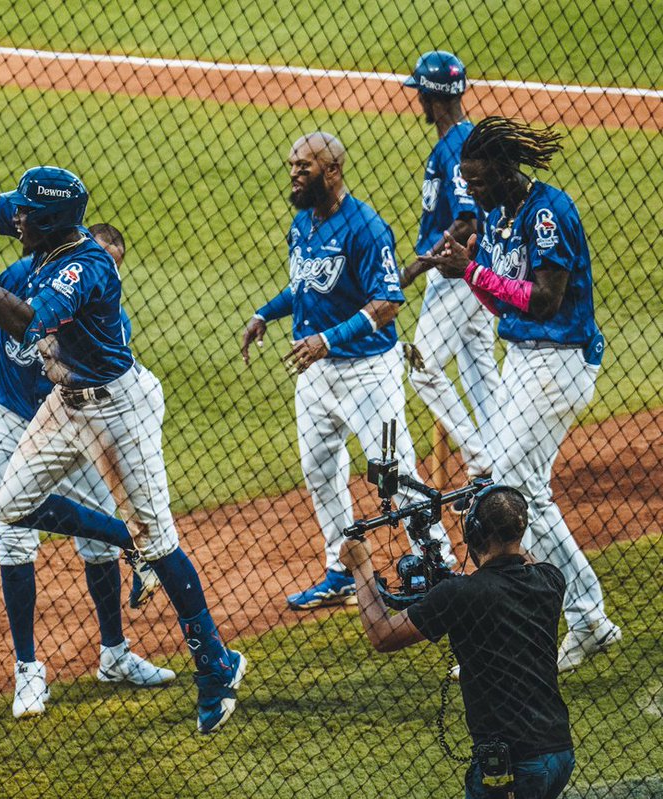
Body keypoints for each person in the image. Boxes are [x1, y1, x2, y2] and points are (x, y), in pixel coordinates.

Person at [0, 51, 245, 735]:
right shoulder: (46, 229)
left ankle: (214, 661)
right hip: (64, 404)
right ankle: (121, 537)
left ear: (50, 222)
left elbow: (20, 318)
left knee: (161, 540)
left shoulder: (85, 269)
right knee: (12, 504)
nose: (14, 219)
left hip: (116, 410)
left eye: (24, 216)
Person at [0, 223, 174, 720]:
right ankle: (28, 671)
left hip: (72, 420)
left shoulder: (109, 320)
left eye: (115, 267)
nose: (105, 274)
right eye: (101, 259)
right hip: (10, 415)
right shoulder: (23, 274)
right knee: (12, 534)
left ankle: (115, 654)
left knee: (96, 543)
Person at [418, 116, 620, 672]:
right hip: (524, 361)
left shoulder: (547, 212)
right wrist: (469, 276)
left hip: (559, 361)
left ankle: (505, 633)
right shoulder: (496, 215)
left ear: (506, 170)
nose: (472, 191)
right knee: (527, 489)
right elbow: (504, 306)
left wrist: (475, 274)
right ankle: (589, 618)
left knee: (501, 487)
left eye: (479, 180)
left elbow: (547, 300)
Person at [241, 131, 456, 611]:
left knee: (395, 474)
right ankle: (342, 569)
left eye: (304, 167)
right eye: (292, 165)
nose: (294, 174)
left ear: (332, 171)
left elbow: (388, 304)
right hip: (315, 374)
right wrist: (263, 314)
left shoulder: (366, 228)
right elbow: (305, 286)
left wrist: (328, 340)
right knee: (319, 471)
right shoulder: (304, 224)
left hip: (367, 375)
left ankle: (439, 566)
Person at [340, 486, 576, 799]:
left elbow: (382, 634)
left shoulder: (460, 596)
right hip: (559, 752)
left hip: (512, 767)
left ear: (474, 536)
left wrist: (360, 567)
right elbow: (517, 567)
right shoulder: (549, 580)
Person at [400, 51, 499, 479]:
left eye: (420, 92)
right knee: (481, 373)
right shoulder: (465, 138)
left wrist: (413, 270)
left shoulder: (456, 144)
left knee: (422, 367)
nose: (417, 100)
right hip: (479, 273)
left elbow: (466, 219)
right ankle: (504, 464)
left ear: (432, 96)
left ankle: (482, 463)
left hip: (458, 274)